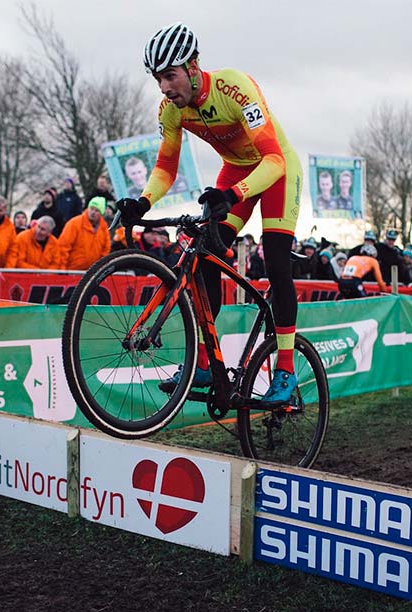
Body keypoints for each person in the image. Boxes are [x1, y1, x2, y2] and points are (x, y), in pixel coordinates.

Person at [116, 23, 305, 405]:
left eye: (170, 76)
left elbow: (272, 159)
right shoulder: (171, 110)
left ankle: (285, 370)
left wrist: (232, 195)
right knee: (205, 262)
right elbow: (166, 166)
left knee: (277, 264)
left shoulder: (235, 88)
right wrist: (142, 201)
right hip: (235, 172)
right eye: (158, 80)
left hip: (276, 171)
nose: (165, 88)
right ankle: (204, 363)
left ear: (193, 65)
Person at [58, 196, 111, 271]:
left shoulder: (104, 228)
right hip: (73, 271)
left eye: (97, 210)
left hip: (92, 274)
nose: (93, 212)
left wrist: (100, 270)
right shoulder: (74, 223)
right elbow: (63, 248)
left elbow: (105, 251)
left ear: (101, 213)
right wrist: (62, 270)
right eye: (91, 208)